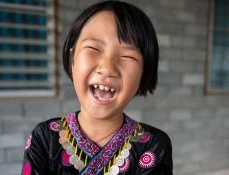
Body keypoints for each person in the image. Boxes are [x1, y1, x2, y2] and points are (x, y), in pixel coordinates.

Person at [21, 1, 173, 175]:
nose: (107, 68)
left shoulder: (153, 145)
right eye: (93, 48)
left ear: (144, 73)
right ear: (73, 59)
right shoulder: (44, 138)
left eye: (127, 56)